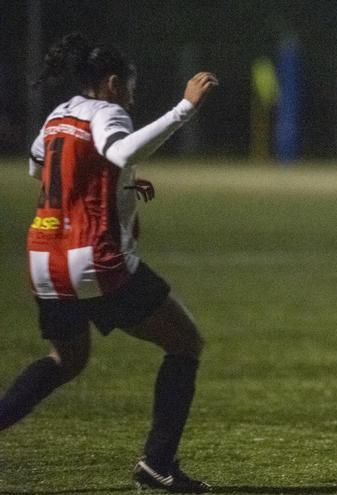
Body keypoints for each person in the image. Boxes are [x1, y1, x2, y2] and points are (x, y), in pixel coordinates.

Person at [0, 33, 217, 492]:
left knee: (67, 359)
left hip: (43, 255)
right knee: (185, 343)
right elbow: (119, 152)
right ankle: (158, 465)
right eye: (131, 86)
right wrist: (185, 107)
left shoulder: (58, 115)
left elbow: (42, 170)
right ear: (114, 83)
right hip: (91, 260)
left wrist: (114, 184)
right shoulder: (108, 111)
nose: (132, 96)